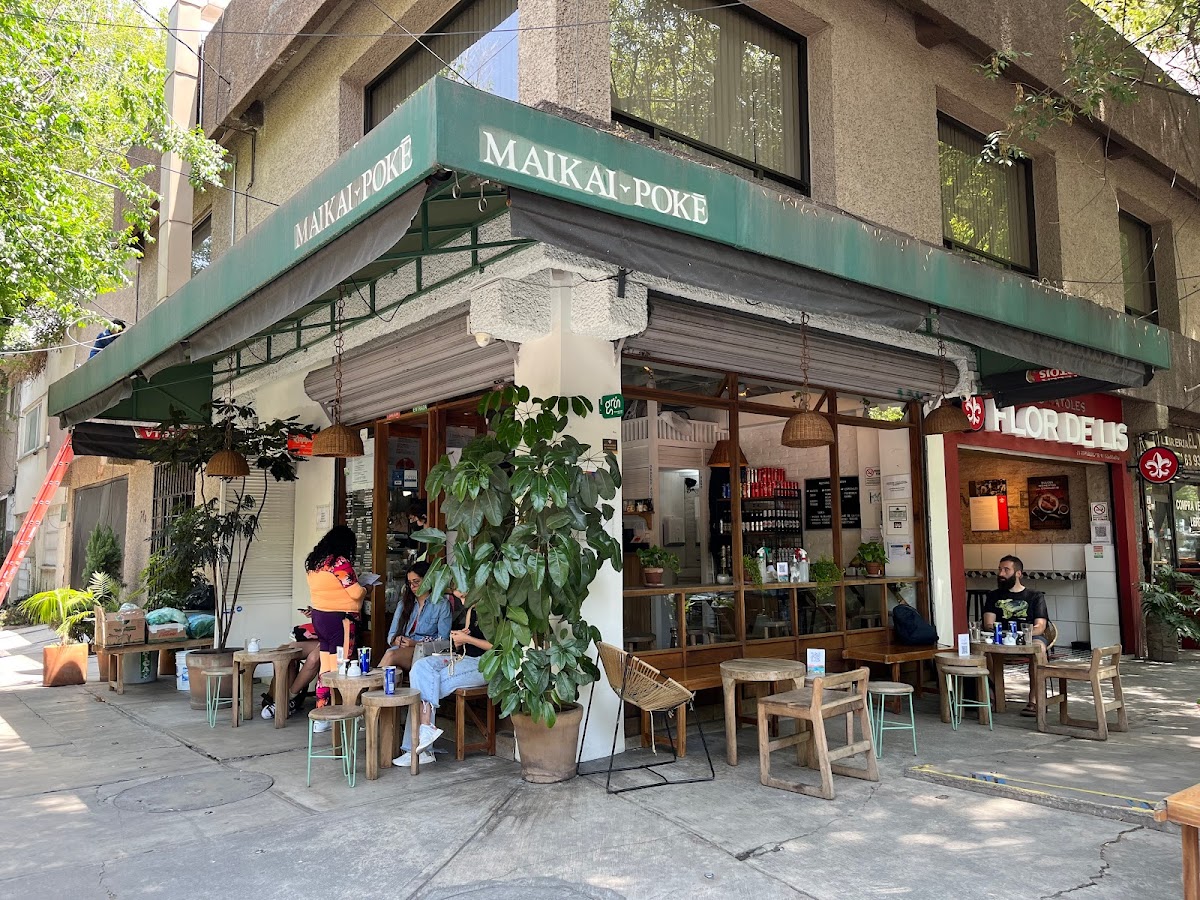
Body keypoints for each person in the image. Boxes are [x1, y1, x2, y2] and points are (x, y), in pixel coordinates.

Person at [393, 595, 491, 767]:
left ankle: (418, 750)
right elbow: (465, 647)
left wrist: (468, 639)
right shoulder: (471, 610)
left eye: (463, 595)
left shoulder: (495, 609)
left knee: (425, 686)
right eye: (458, 596)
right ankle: (425, 732)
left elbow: (499, 648)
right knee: (420, 667)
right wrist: (459, 640)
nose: (461, 600)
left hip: (485, 665)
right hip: (464, 659)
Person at [304, 525, 367, 731]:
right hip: (341, 621)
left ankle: (322, 716)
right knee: (343, 667)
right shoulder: (339, 563)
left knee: (326, 667)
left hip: (320, 618)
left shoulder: (315, 563)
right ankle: (348, 715)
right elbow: (356, 593)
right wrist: (366, 588)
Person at [982, 554, 1051, 717]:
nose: (1001, 574)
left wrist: (1022, 635)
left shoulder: (1035, 596)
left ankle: (1035, 699)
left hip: (1029, 636)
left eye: (1006, 570)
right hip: (1000, 636)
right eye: (1000, 569)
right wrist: (1003, 634)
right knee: (982, 649)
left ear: (1018, 573)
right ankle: (995, 695)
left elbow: (1040, 626)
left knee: (1039, 649)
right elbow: (988, 623)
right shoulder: (993, 596)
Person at [378, 560, 453, 673]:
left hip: (426, 652)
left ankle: (369, 684)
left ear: (428, 580)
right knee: (393, 666)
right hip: (402, 649)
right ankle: (372, 683)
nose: (412, 586)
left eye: (416, 582)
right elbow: (391, 635)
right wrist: (396, 640)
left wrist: (416, 644)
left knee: (391, 655)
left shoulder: (441, 604)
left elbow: (443, 641)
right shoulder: (403, 604)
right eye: (409, 583)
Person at [260, 617, 319, 721]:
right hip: (322, 635)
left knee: (314, 659)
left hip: (341, 637)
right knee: (287, 649)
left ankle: (287, 699)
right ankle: (279, 697)